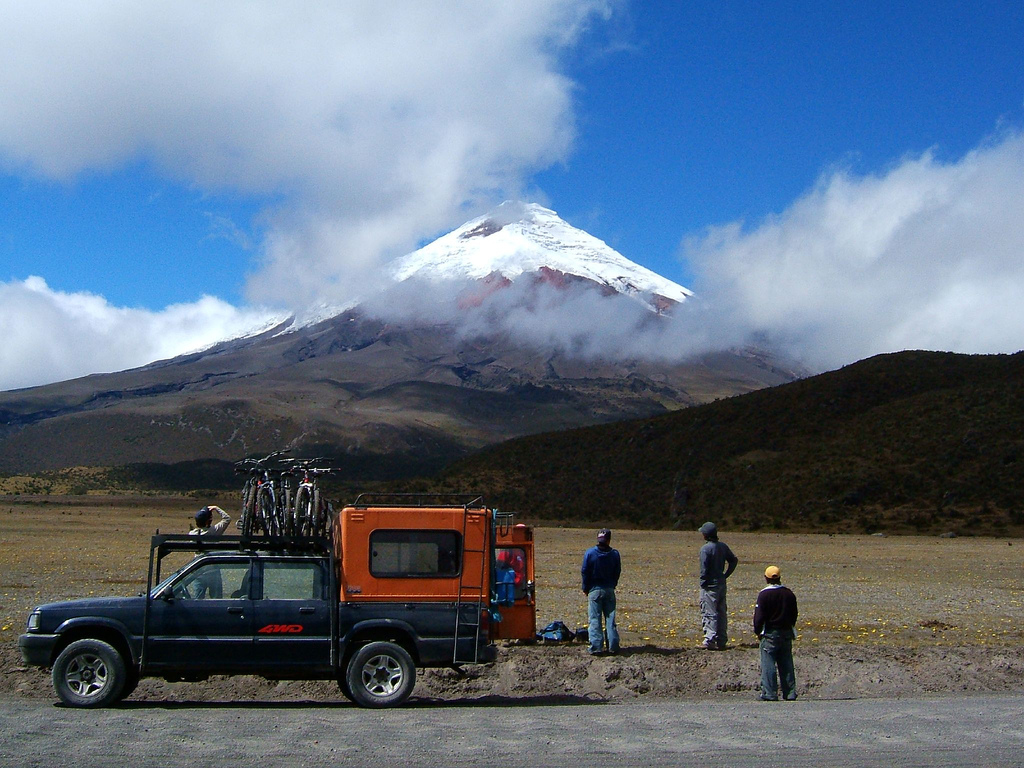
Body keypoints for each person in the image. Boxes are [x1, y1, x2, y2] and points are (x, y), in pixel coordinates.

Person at [753, 565, 799, 700]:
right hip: (786, 632)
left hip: (770, 633)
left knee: (768, 663)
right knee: (786, 663)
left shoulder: (764, 595)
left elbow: (759, 617)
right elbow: (794, 613)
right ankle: (790, 692)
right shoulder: (789, 594)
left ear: (766, 578)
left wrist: (758, 631)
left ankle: (769, 693)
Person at [697, 521, 737, 650]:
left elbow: (704, 569)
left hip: (710, 585)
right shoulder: (722, 546)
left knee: (709, 612)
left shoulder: (705, 549)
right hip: (721, 583)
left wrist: (703, 583)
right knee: (721, 612)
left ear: (705, 535)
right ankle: (721, 640)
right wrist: (725, 575)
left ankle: (710, 640)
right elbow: (733, 560)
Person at [581, 528, 621, 655]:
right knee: (610, 619)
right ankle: (613, 646)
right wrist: (613, 584)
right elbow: (617, 571)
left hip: (594, 590)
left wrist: (585, 588)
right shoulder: (615, 554)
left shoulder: (590, 553)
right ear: (608, 540)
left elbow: (585, 571)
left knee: (594, 619)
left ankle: (596, 647)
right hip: (609, 589)